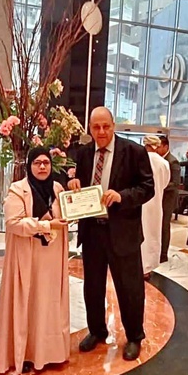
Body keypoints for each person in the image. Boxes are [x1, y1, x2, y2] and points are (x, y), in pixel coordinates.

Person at [68, 107, 154, 361]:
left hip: (123, 232)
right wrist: (74, 183)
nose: (102, 131)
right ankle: (97, 331)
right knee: (93, 286)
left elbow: (147, 188)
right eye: (96, 127)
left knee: (129, 288)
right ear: (90, 129)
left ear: (113, 125)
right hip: (92, 232)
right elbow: (79, 183)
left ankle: (134, 336)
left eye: (106, 126)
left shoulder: (134, 152)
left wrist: (122, 196)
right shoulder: (84, 153)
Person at [0, 147, 69, 375]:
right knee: (26, 301)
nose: (42, 166)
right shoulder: (18, 190)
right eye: (37, 163)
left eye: (46, 162)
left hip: (51, 258)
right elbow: (13, 223)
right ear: (29, 165)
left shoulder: (57, 189)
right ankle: (23, 353)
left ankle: (48, 353)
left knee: (47, 303)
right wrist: (46, 225)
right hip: (27, 258)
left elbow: (67, 214)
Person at [140, 136, 170, 279]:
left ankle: (138, 265)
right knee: (153, 233)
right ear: (156, 146)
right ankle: (148, 267)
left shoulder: (139, 159)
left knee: (140, 232)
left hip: (140, 202)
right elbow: (165, 183)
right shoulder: (163, 163)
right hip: (156, 202)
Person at [157, 136, 181, 263]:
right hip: (159, 198)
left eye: (159, 146)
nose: (157, 149)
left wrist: (160, 185)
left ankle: (163, 254)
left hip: (168, 199)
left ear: (166, 146)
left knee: (164, 226)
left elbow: (175, 183)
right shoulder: (158, 160)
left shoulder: (173, 161)